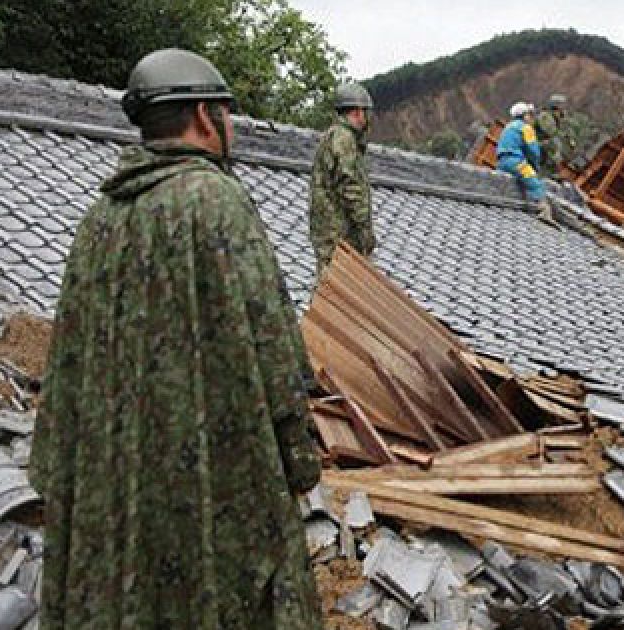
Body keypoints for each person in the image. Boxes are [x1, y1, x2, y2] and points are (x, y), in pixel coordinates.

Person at [30, 49, 323, 629]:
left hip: (116, 473)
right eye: (225, 113)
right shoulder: (216, 201)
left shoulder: (99, 220)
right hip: (214, 472)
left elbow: (65, 361)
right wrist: (297, 453)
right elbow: (272, 341)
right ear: (204, 116)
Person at [310, 82, 376, 272]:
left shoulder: (334, 136)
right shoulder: (343, 137)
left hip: (332, 233)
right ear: (357, 112)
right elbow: (350, 186)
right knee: (337, 288)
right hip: (339, 234)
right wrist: (365, 229)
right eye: (365, 112)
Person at [497, 102, 553, 224]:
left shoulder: (508, 127)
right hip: (516, 162)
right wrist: (536, 167)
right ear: (525, 116)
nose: (532, 118)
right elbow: (533, 151)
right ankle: (545, 211)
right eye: (530, 115)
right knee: (535, 184)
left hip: (501, 162)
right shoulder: (526, 128)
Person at [536, 93, 574, 178]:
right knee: (553, 146)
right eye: (562, 107)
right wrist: (563, 137)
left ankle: (549, 172)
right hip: (534, 143)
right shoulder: (545, 116)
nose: (563, 110)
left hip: (540, 145)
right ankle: (550, 173)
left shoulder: (554, 118)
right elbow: (550, 132)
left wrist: (568, 138)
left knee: (554, 146)